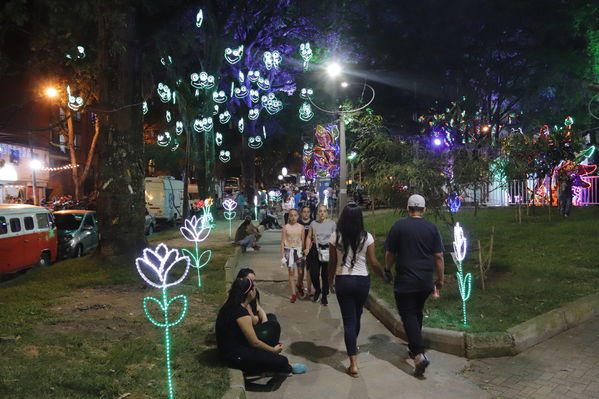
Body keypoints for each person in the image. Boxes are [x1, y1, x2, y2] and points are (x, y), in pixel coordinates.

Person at [384, 194, 444, 377]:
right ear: (424, 210)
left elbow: (390, 253)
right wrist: (440, 279)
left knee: (408, 313)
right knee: (416, 312)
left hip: (406, 281)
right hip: (425, 281)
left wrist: (387, 268)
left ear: (408, 209)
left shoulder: (399, 226)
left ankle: (419, 354)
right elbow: (439, 256)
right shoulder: (431, 228)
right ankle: (413, 348)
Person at [328, 203, 387, 378]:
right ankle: (353, 347)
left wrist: (329, 281)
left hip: (343, 280)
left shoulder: (335, 236)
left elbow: (332, 263)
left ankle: (353, 363)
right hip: (362, 281)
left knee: (348, 321)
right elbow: (374, 262)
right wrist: (383, 275)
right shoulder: (366, 237)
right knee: (357, 315)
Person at [216, 277, 307, 375]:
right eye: (254, 288)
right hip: (235, 356)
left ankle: (273, 361)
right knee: (282, 361)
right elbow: (254, 342)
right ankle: (286, 367)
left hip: (232, 350)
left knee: (270, 326)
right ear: (250, 293)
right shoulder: (241, 313)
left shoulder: (229, 305)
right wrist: (273, 350)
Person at [236, 268, 281, 347]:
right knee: (274, 326)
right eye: (250, 281)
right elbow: (254, 321)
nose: (253, 284)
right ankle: (272, 346)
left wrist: (264, 319)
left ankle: (271, 342)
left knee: (271, 317)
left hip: (256, 321)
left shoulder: (253, 291)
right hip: (250, 328)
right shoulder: (241, 298)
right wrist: (261, 321)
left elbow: (258, 307)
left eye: (254, 281)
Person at [305, 205, 336, 305]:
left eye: (324, 211)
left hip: (328, 250)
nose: (322, 213)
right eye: (320, 211)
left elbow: (336, 237)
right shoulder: (313, 223)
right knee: (314, 273)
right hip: (315, 249)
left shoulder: (332, 224)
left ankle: (324, 294)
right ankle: (317, 290)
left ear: (327, 212)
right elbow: (309, 237)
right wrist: (307, 248)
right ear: (317, 213)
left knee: (325, 274)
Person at [280, 209, 304, 303]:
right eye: (291, 215)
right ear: (288, 216)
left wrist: (303, 253)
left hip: (298, 251)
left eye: (295, 215)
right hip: (288, 251)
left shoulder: (301, 227)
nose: (293, 217)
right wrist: (282, 255)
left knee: (301, 272)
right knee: (291, 272)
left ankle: (299, 284)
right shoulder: (285, 227)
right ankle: (293, 293)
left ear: (298, 216)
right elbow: (282, 242)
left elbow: (303, 241)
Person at [297, 206, 314, 297]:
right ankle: (299, 285)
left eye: (308, 211)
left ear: (310, 213)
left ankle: (309, 289)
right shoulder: (298, 223)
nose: (306, 213)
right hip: (300, 250)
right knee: (300, 271)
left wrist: (309, 247)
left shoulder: (313, 223)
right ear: (301, 213)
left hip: (310, 250)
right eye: (304, 212)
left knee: (309, 270)